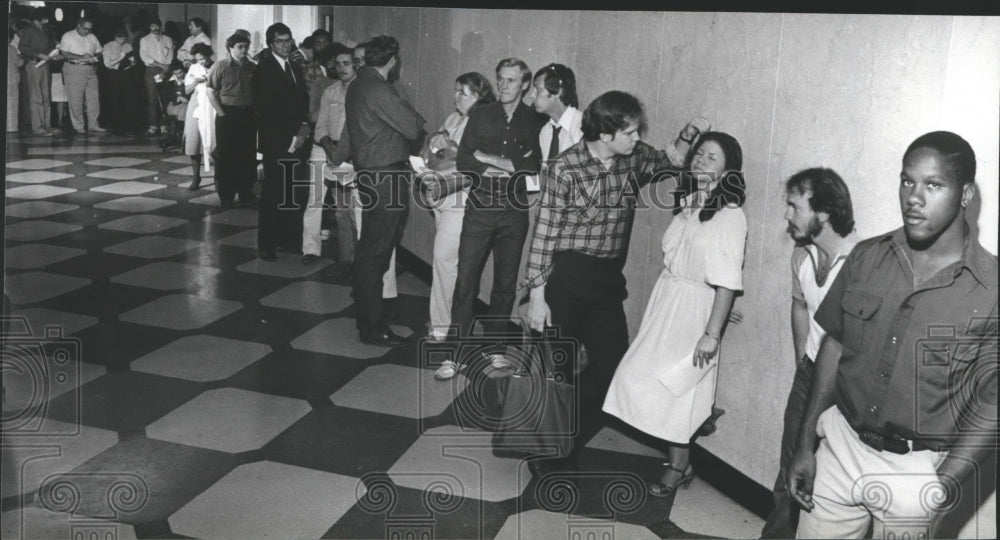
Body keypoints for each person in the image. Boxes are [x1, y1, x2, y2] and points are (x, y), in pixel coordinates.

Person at [787, 131, 997, 539]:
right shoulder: (868, 256)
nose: (913, 197)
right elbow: (835, 344)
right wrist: (804, 442)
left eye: (933, 185)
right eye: (907, 181)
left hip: (916, 471)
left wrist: (945, 484)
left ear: (965, 194)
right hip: (840, 446)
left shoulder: (991, 288)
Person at [602, 131, 747, 495]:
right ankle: (697, 431)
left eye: (711, 157)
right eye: (698, 154)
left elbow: (727, 280)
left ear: (729, 171)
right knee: (640, 377)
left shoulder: (731, 216)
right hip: (669, 301)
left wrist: (712, 331)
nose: (700, 160)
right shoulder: (692, 204)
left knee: (679, 389)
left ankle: (679, 465)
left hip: (693, 316)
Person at [759, 168, 859, 538]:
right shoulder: (801, 257)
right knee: (791, 467)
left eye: (794, 206)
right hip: (810, 375)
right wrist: (803, 357)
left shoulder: (860, 262)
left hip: (845, 388)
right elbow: (800, 305)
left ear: (824, 213)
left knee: (825, 479)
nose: (787, 214)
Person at [451, 58, 544, 339]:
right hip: (480, 207)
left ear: (525, 84)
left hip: (514, 211)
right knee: (466, 280)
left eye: (511, 80)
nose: (503, 85)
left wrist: (489, 159)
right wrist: (508, 163)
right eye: (500, 79)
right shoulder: (480, 115)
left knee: (505, 284)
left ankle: (495, 349)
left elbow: (531, 166)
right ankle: (454, 351)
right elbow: (465, 159)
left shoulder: (534, 120)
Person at [344, 35, 426, 346]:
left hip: (370, 175)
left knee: (368, 252)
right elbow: (413, 127)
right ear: (392, 61)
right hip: (385, 178)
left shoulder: (357, 84)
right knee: (375, 255)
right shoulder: (379, 87)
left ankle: (367, 319)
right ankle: (373, 327)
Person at [421, 72, 496, 357]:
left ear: (479, 95)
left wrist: (448, 150)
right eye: (455, 91)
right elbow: (434, 148)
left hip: (461, 200)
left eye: (463, 92)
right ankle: (447, 320)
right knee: (448, 262)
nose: (456, 97)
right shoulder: (453, 119)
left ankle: (442, 326)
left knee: (444, 259)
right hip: (440, 196)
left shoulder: (483, 123)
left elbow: (471, 165)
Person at [251, 23, 312, 260]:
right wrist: (292, 132)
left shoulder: (295, 67)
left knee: (292, 191)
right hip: (277, 142)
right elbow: (266, 109)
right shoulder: (263, 70)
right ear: (271, 44)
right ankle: (267, 243)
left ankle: (289, 239)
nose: (286, 45)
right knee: (273, 192)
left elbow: (301, 101)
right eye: (280, 41)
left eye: (288, 40)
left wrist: (303, 128)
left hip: (297, 139)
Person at [304, 42, 357, 264]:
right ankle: (310, 249)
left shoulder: (361, 91)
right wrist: (329, 149)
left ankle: (353, 257)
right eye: (338, 64)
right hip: (323, 149)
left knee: (348, 207)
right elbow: (321, 124)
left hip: (350, 155)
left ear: (356, 65)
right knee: (315, 200)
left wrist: (342, 154)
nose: (342, 68)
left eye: (347, 63)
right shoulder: (329, 91)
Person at [207, 31, 257, 207]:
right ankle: (226, 194)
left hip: (248, 115)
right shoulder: (220, 66)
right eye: (240, 47)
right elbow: (210, 91)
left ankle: (246, 191)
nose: (244, 50)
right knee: (227, 155)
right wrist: (221, 113)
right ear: (230, 47)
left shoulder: (252, 67)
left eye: (246, 47)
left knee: (247, 154)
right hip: (227, 114)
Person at [59, 16, 104, 134]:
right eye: (85, 29)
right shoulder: (68, 36)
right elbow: (64, 53)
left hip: (91, 69)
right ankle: (79, 126)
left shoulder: (92, 37)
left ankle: (93, 124)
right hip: (74, 68)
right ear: (78, 25)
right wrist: (81, 57)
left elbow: (99, 51)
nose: (87, 31)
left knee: (94, 98)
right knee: (76, 99)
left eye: (90, 29)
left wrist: (96, 57)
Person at [531, 63, 583, 165]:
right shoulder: (545, 132)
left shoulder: (581, 126)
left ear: (558, 91)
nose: (532, 95)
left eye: (538, 89)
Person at [183, 43, 215, 191]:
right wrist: (196, 81)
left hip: (212, 105)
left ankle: (218, 177)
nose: (201, 62)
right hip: (195, 106)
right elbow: (187, 90)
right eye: (198, 59)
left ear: (209, 55)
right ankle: (196, 177)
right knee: (193, 141)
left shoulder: (217, 66)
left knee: (216, 141)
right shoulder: (193, 68)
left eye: (203, 58)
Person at [18, 8, 55, 136]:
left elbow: (49, 47)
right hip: (34, 64)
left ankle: (47, 126)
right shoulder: (28, 30)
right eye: (46, 18)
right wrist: (38, 54)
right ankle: (38, 128)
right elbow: (22, 47)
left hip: (45, 65)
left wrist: (54, 53)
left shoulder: (44, 30)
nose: (48, 20)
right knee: (36, 97)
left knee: (46, 96)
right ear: (39, 17)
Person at [101, 26, 141, 136]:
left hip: (126, 74)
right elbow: (107, 64)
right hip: (113, 75)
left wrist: (132, 62)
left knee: (127, 100)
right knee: (115, 100)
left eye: (123, 39)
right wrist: (121, 57)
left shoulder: (128, 45)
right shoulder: (108, 46)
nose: (121, 41)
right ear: (114, 37)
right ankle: (115, 126)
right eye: (119, 39)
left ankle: (126, 125)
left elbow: (133, 61)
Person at [139, 18, 174, 136]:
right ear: (149, 27)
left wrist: (166, 67)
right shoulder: (144, 40)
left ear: (160, 26)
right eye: (152, 26)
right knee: (152, 98)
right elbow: (144, 57)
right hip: (151, 70)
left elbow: (170, 55)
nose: (155, 29)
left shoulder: (168, 39)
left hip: (165, 69)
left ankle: (164, 125)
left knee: (164, 97)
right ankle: (153, 125)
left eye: (156, 26)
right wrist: (160, 65)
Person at [8, 25, 25, 134]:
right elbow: (19, 63)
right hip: (11, 79)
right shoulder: (11, 49)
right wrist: (22, 57)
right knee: (12, 104)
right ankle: (11, 127)